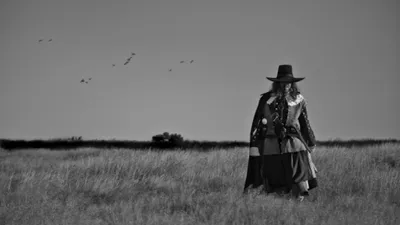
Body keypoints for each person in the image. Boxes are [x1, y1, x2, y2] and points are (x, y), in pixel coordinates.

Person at [243, 64, 318, 201]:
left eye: (288, 83)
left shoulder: (299, 100)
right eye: (282, 82)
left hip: (295, 146)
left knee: (298, 184)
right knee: (277, 187)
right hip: (272, 147)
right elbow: (256, 125)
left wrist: (311, 142)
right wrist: (255, 146)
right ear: (277, 83)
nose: (285, 86)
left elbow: (305, 124)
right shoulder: (266, 100)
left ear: (292, 83)